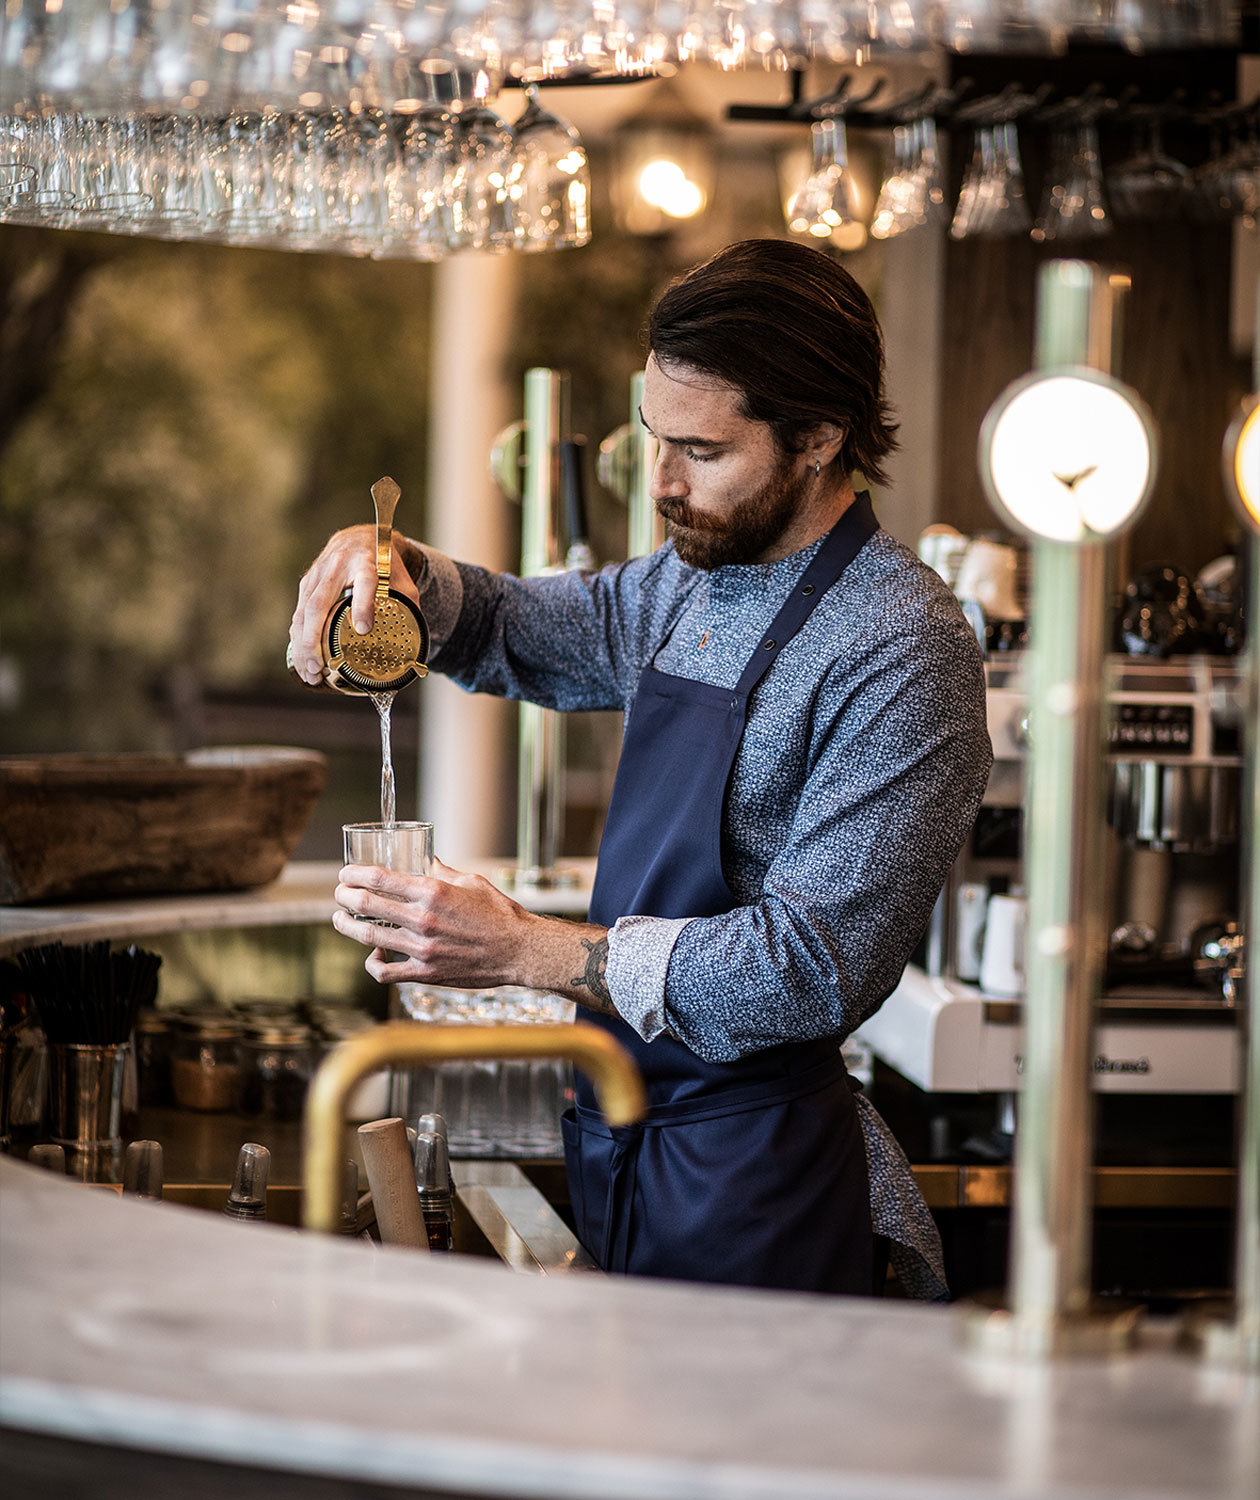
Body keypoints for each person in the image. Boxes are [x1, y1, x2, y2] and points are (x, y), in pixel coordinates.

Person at [290, 237, 992, 1300]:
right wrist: (398, 568)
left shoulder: (902, 643)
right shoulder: (690, 580)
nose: (661, 483)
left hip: (765, 1178)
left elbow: (811, 967)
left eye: (700, 453)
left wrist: (532, 950)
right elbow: (524, 628)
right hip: (623, 1127)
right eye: (655, 439)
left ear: (818, 439)